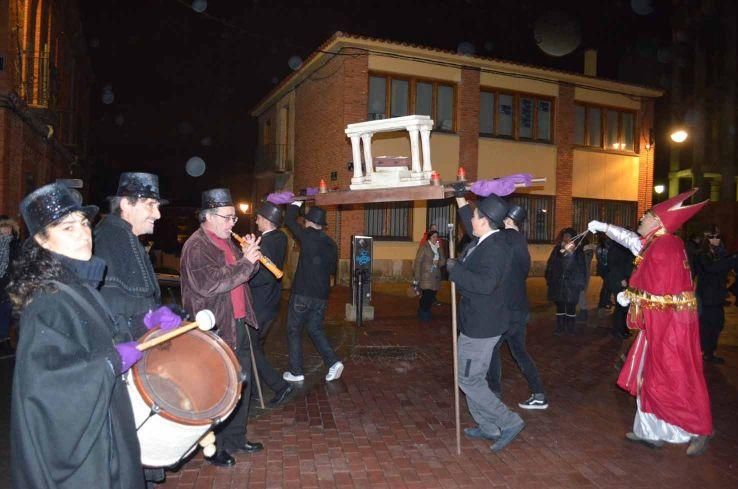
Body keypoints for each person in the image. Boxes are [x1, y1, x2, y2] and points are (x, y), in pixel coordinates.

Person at [9, 182, 144, 488]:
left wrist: (144, 326)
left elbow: (101, 337)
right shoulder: (47, 301)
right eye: (67, 228)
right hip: (87, 460)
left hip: (106, 432)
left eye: (84, 223)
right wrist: (110, 363)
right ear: (42, 242)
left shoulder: (77, 287)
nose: (84, 233)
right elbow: (47, 388)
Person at [588, 188, 712, 456]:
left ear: (659, 222)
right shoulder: (658, 242)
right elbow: (632, 241)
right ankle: (650, 431)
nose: (642, 218)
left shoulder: (665, 246)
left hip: (670, 328)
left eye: (647, 215)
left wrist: (629, 295)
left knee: (671, 375)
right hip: (660, 325)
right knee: (649, 375)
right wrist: (604, 227)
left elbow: (659, 290)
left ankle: (696, 429)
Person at [94, 172, 182, 485]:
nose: (157, 214)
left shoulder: (124, 237)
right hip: (120, 368)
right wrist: (147, 318)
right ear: (127, 204)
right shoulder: (111, 238)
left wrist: (157, 314)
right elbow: (109, 304)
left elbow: (138, 298)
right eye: (150, 205)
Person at [180, 188, 264, 468]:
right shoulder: (197, 246)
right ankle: (213, 447)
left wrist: (250, 257)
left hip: (237, 323)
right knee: (216, 390)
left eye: (233, 219)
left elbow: (242, 276)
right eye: (227, 218)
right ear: (209, 217)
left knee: (242, 384)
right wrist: (244, 263)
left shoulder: (227, 242)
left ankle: (237, 438)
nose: (231, 224)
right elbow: (210, 283)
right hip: (214, 329)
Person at [447, 186, 525, 452]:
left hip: (482, 326)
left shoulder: (495, 249)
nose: (471, 220)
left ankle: (509, 421)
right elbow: (469, 225)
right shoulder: (485, 240)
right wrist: (460, 199)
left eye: (475, 216)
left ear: (486, 222)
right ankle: (488, 427)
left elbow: (486, 284)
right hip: (476, 321)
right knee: (469, 377)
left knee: (469, 380)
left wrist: (455, 271)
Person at [486, 204, 547, 410]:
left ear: (508, 220)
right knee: (520, 351)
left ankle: (493, 392)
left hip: (506, 309)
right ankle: (539, 393)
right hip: (520, 308)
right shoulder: (521, 241)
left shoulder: (505, 238)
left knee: (492, 348)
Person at [281, 198, 344, 383]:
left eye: (306, 221)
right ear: (322, 225)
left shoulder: (307, 234)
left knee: (293, 330)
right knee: (315, 328)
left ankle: (296, 371)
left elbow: (289, 221)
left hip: (303, 294)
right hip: (322, 295)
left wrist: (295, 203)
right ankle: (333, 362)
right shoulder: (332, 244)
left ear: (309, 222)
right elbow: (332, 270)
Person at [249, 201, 294, 406]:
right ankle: (253, 389)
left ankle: (280, 386)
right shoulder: (279, 238)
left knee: (250, 347)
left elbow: (264, 276)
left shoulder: (267, 243)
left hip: (261, 304)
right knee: (256, 346)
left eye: (258, 217)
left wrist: (244, 272)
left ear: (266, 221)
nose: (256, 219)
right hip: (271, 304)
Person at [695, 226, 738, 364]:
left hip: (717, 296)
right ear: (706, 239)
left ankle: (709, 352)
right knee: (708, 325)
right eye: (712, 237)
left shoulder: (722, 253)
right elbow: (711, 268)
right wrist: (731, 259)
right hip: (707, 297)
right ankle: (705, 353)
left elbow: (727, 268)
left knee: (718, 324)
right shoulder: (702, 254)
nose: (715, 240)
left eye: (717, 237)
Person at [545, 228, 587, 335]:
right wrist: (549, 278)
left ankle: (570, 328)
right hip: (559, 284)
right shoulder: (557, 250)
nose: (566, 238)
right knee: (560, 306)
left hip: (572, 284)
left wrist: (581, 283)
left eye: (568, 236)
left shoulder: (578, 251)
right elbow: (551, 265)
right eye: (565, 235)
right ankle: (560, 327)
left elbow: (582, 268)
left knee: (570, 307)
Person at [413, 229, 446, 322]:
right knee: (426, 295)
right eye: (434, 237)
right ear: (429, 238)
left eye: (437, 237)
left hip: (435, 276)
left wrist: (438, 262)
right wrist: (417, 276)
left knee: (432, 295)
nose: (436, 239)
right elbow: (418, 262)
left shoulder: (439, 248)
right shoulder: (424, 247)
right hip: (426, 275)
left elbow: (443, 261)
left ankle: (423, 311)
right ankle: (424, 313)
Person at [0, 215, 21, 356]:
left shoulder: (16, 244)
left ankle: (4, 341)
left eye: (9, 226)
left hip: (8, 284)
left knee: (6, 312)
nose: (6, 229)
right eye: (3, 226)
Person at [605, 240, 634, 340]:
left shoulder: (625, 247)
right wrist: (621, 279)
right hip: (619, 281)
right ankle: (617, 330)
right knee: (620, 307)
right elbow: (614, 265)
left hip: (626, 279)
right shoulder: (616, 248)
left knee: (625, 307)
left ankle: (624, 329)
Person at [596, 235, 613, 310]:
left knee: (607, 286)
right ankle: (603, 303)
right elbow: (602, 259)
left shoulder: (602, 246)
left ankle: (605, 302)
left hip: (605, 269)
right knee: (606, 287)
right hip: (606, 269)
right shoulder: (603, 247)